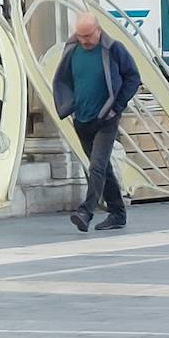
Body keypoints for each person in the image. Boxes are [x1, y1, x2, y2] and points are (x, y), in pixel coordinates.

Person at [52, 13, 142, 231]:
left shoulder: (113, 49)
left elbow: (133, 78)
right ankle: (117, 213)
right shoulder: (72, 49)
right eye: (80, 35)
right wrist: (68, 105)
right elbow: (62, 79)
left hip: (106, 118)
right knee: (103, 169)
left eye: (88, 35)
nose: (84, 40)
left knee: (97, 166)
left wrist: (116, 107)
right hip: (82, 118)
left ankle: (86, 211)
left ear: (98, 30)